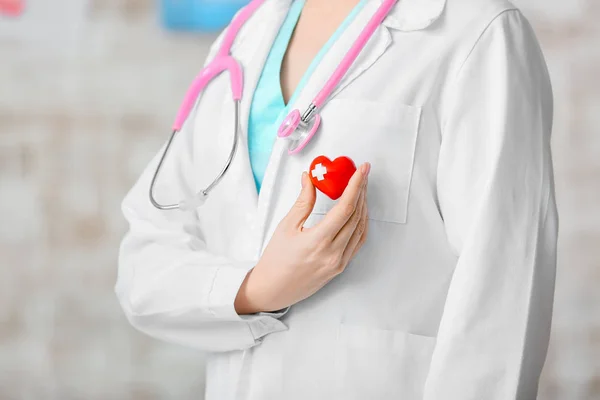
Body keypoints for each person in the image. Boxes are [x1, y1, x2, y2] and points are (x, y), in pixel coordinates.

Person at [115, 0, 559, 398]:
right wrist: (256, 289)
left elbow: (502, 294)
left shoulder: (476, 31)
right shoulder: (247, 33)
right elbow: (144, 266)